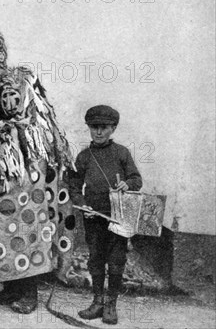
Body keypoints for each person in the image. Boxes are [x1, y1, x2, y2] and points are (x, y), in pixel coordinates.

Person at [0, 30, 76, 315]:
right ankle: (9, 289)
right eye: (5, 97)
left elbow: (44, 166)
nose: (9, 102)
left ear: (25, 98)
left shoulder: (37, 130)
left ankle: (29, 292)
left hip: (30, 202)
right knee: (3, 238)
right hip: (6, 202)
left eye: (14, 96)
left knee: (27, 237)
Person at [68, 105, 142, 325]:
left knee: (117, 260)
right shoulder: (83, 157)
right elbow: (73, 186)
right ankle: (97, 301)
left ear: (113, 128)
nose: (98, 132)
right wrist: (82, 205)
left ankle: (111, 304)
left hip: (118, 216)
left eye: (104, 128)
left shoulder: (121, 153)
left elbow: (137, 180)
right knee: (96, 259)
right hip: (93, 215)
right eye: (94, 128)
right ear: (89, 129)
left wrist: (126, 184)